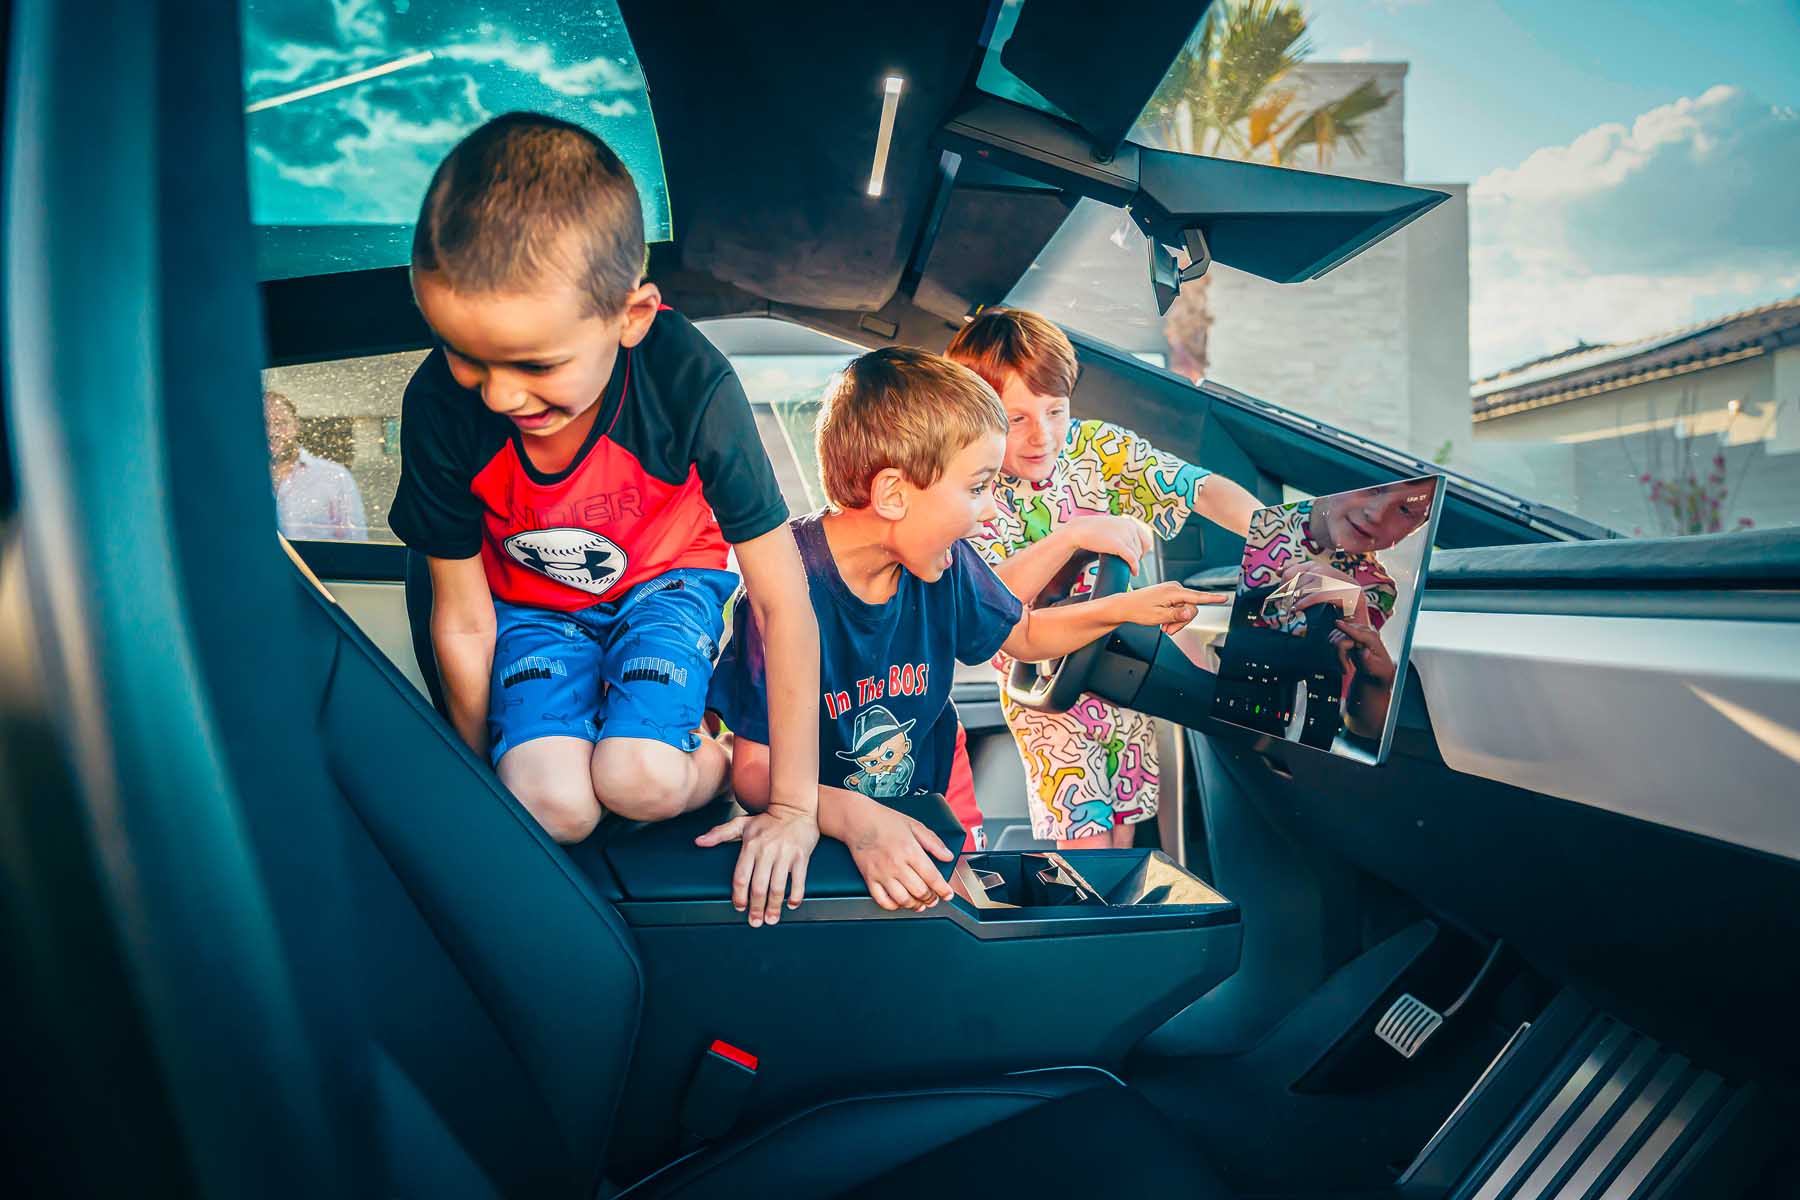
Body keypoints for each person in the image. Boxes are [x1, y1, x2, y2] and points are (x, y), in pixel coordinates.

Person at [386, 113, 820, 927]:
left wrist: (793, 807)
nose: (499, 396)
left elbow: (779, 602)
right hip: (530, 607)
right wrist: (482, 789)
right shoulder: (439, 410)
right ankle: (575, 738)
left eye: (537, 364)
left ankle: (711, 759)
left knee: (639, 778)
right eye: (465, 354)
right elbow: (466, 618)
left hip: (666, 585)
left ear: (632, 316)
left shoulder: (688, 381)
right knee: (550, 802)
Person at [701, 348, 1222, 910]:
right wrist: (858, 820)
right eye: (977, 488)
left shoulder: (942, 562)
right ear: (893, 494)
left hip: (916, 817)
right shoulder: (787, 585)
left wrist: (1126, 609)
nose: (992, 512)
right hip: (824, 835)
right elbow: (754, 773)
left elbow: (1023, 633)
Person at [947, 308, 1262, 849]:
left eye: (1055, 411)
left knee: (1124, 836)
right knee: (1086, 852)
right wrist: (1071, 537)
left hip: (1128, 679)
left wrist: (1283, 542)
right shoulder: (970, 488)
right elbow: (984, 600)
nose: (1041, 435)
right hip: (1049, 697)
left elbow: (1202, 489)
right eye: (1015, 418)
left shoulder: (1098, 452)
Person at [265, 391, 368, 541]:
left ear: (296, 426)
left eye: (281, 423)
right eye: (264, 424)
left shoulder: (334, 476)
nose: (273, 432)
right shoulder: (238, 478)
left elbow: (356, 541)